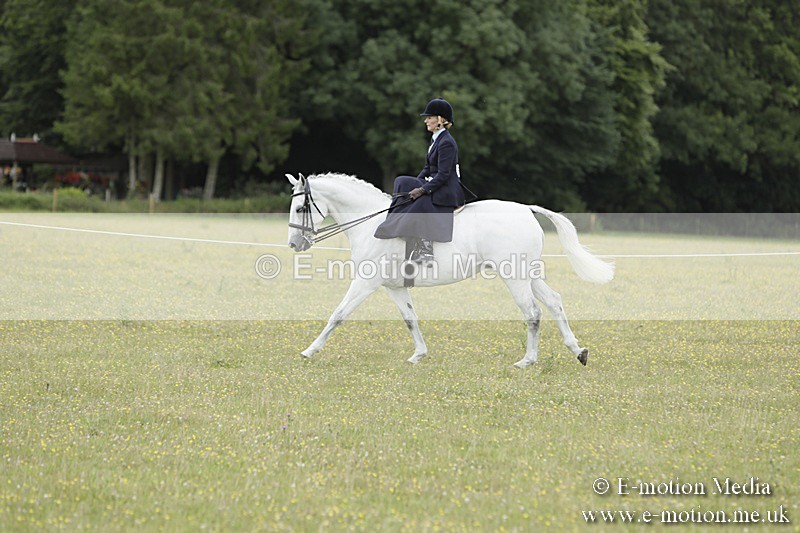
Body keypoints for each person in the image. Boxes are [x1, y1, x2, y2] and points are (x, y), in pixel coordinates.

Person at [374, 98, 476, 264]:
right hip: (438, 182)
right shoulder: (436, 139)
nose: (426, 121)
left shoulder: (447, 143)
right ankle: (396, 223)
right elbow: (428, 168)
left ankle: (426, 249)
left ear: (441, 120)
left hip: (448, 188)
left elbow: (443, 175)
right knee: (402, 181)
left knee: (421, 202)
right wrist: (416, 182)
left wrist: (422, 189)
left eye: (429, 117)